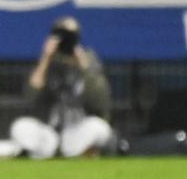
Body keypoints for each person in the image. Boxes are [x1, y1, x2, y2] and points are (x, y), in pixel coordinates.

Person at [10, 17, 113, 159]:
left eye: (70, 38)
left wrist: (84, 68)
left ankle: (80, 151)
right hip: (49, 132)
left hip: (77, 130)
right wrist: (45, 59)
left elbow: (101, 101)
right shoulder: (47, 61)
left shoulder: (87, 59)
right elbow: (30, 97)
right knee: (21, 126)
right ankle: (41, 152)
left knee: (100, 127)